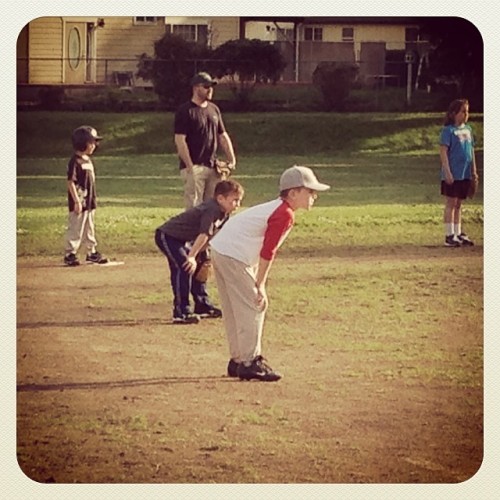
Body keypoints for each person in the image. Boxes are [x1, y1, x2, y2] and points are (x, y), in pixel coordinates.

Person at [210, 166, 330, 381]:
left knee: (234, 308)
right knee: (254, 305)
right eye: (309, 191)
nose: (315, 196)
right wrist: (260, 285)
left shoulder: (277, 208)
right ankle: (250, 362)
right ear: (293, 193)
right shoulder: (284, 213)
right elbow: (268, 251)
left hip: (221, 250)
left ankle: (238, 360)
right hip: (232, 254)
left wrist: (256, 279)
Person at [155, 179, 244, 324]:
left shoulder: (224, 213)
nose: (237, 205)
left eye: (239, 201)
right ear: (220, 198)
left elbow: (212, 235)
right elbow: (203, 233)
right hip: (168, 236)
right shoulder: (212, 209)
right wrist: (191, 257)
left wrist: (203, 255)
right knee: (184, 267)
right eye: (234, 200)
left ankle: (202, 305)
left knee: (202, 265)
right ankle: (181, 312)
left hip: (186, 240)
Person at [174, 71, 237, 209]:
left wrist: (231, 159)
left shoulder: (214, 109)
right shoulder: (186, 111)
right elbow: (180, 140)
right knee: (194, 207)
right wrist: (190, 166)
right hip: (194, 166)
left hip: (213, 166)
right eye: (206, 87)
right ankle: (192, 231)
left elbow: (222, 135)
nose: (210, 90)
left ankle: (209, 231)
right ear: (196, 88)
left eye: (211, 87)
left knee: (214, 206)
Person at [63, 125, 108, 267]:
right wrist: (76, 201)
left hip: (89, 201)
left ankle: (91, 252)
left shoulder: (88, 160)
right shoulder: (75, 161)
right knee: (76, 227)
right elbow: (70, 182)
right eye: (92, 142)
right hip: (79, 202)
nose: (95, 145)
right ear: (83, 143)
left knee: (89, 227)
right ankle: (70, 253)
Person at [439, 98, 479, 247]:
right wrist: (447, 172)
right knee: (451, 202)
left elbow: (471, 151)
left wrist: (474, 171)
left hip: (465, 173)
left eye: (467, 111)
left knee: (459, 204)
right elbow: (443, 152)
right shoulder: (448, 131)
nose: (466, 114)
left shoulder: (468, 130)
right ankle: (449, 234)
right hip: (453, 172)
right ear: (454, 113)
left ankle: (458, 232)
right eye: (463, 111)